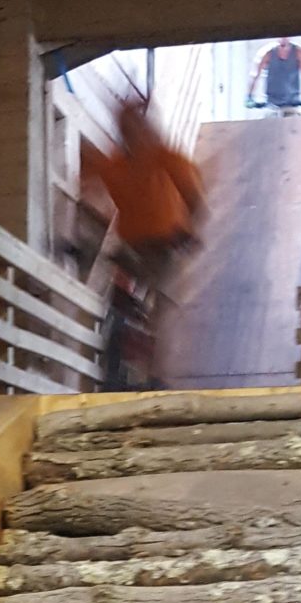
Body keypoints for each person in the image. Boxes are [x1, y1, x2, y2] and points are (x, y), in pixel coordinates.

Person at [77, 94, 204, 386]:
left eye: (136, 133)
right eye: (130, 134)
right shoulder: (128, 162)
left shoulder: (153, 159)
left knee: (161, 300)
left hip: (156, 244)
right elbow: (88, 179)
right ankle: (143, 365)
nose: (135, 140)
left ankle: (153, 369)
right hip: (143, 244)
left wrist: (189, 230)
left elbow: (194, 195)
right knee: (156, 299)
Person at [249, 37, 301, 112]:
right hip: (272, 103)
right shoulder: (267, 53)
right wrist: (249, 96)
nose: (283, 39)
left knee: (293, 119)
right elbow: (255, 75)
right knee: (269, 120)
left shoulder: (298, 52)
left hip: (292, 101)